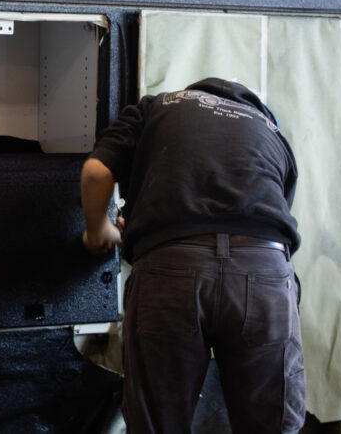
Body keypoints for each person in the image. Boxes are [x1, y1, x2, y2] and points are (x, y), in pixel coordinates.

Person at [80, 77, 305, 434]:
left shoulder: (154, 107)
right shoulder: (270, 130)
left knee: (159, 422)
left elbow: (96, 172)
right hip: (263, 273)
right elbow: (270, 224)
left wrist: (99, 231)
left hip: (171, 270)